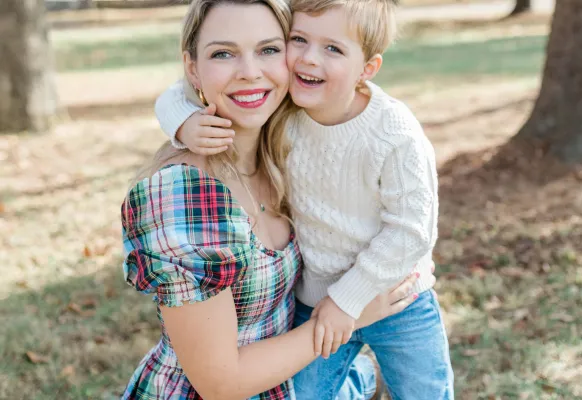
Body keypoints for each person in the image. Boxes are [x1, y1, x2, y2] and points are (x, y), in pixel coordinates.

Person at [122, 1, 425, 399]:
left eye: (268, 49)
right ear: (192, 67)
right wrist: (349, 315)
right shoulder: (183, 194)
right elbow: (220, 384)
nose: (250, 71)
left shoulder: (285, 151)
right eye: (223, 53)